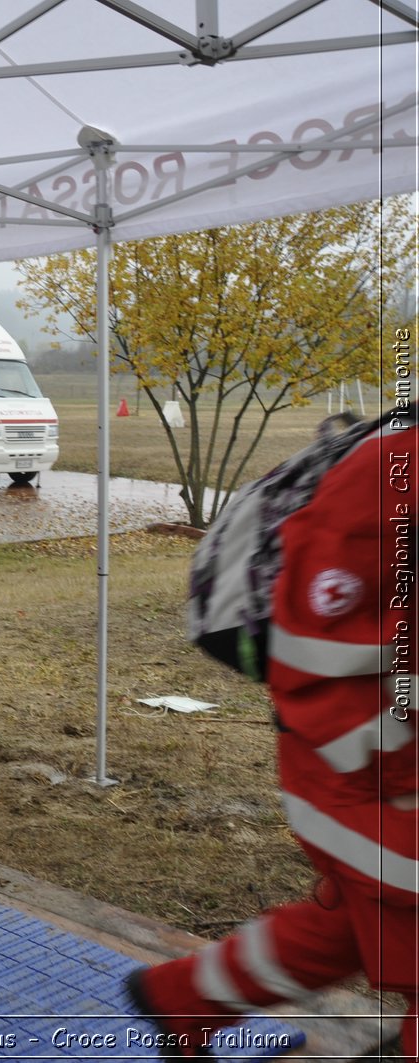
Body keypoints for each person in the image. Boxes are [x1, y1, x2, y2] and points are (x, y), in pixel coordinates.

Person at [126, 412, 416, 1060]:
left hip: (378, 772)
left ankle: (185, 998)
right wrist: (397, 781)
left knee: (350, 925)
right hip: (365, 771)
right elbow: (314, 649)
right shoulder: (394, 471)